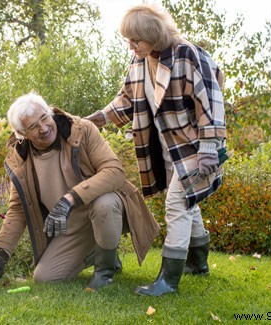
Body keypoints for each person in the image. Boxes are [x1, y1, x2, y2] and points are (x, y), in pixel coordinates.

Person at [84, 4, 227, 296]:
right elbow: (126, 100)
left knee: (177, 202)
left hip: (196, 147)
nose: (130, 46)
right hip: (167, 147)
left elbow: (210, 102)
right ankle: (198, 263)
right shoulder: (139, 62)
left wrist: (210, 149)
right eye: (127, 40)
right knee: (188, 201)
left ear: (153, 34)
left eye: (135, 39)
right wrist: (97, 119)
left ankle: (168, 281)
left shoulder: (187, 54)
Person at [0, 92, 159, 292]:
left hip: (105, 210)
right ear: (22, 134)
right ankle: (97, 250)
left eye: (44, 117)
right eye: (33, 127)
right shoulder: (20, 159)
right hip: (73, 227)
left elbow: (114, 172)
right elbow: (17, 209)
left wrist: (69, 199)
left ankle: (105, 272)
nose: (44, 128)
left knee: (105, 203)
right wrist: (1, 253)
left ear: (49, 112)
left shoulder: (82, 130)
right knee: (44, 277)